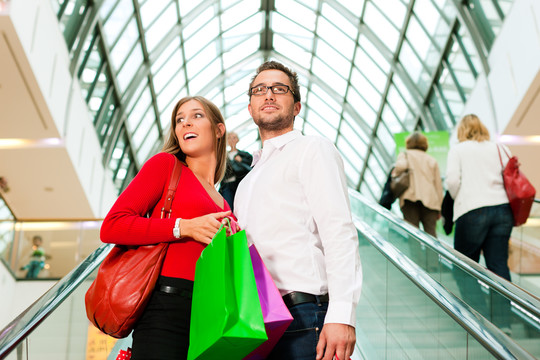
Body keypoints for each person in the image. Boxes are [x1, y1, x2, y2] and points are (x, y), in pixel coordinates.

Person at [234, 61, 362, 360]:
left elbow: (338, 230)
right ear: (250, 108)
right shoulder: (247, 181)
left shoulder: (312, 149)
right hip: (258, 319)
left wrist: (342, 314)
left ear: (297, 106)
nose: (268, 95)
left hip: (305, 316)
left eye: (280, 89)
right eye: (259, 90)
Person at [100, 96, 232, 360]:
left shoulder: (223, 201)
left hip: (209, 316)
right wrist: (183, 227)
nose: (185, 124)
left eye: (196, 116)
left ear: (219, 129)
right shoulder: (166, 166)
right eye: (179, 120)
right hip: (165, 309)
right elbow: (112, 226)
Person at [446, 114, 514, 331]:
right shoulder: (499, 148)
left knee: (464, 267)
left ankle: (479, 320)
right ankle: (504, 323)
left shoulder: (459, 150)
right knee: (498, 265)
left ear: (462, 130)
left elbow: (452, 181)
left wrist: (462, 198)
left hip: (472, 210)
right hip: (503, 210)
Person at [392, 132, 443, 238]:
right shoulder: (431, 160)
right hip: (430, 201)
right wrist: (439, 208)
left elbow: (400, 167)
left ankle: (415, 255)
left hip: (410, 199)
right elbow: (438, 186)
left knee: (413, 236)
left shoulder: (405, 155)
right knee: (431, 236)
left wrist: (395, 173)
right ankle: (432, 255)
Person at [218, 131, 253, 211]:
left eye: (234, 138)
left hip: (240, 184)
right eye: (229, 138)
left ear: (237, 139)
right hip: (227, 185)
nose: (232, 140)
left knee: (242, 207)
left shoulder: (244, 155)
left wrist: (241, 160)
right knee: (228, 208)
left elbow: (252, 166)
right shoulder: (223, 156)